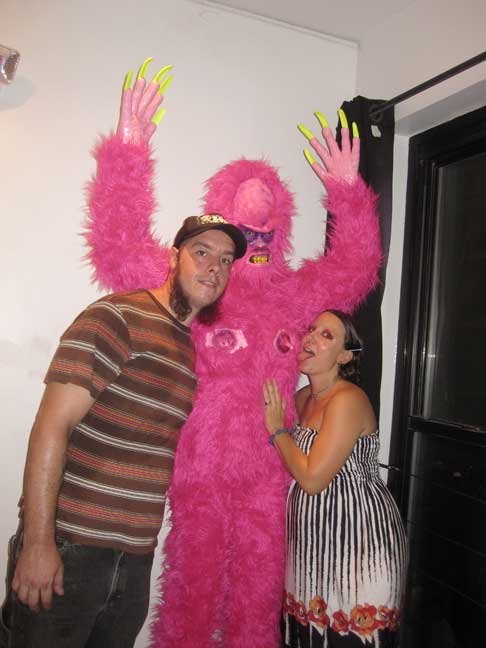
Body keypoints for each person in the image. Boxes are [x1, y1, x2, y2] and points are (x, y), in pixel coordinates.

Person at [84, 59, 382, 647]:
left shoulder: (295, 294)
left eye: (265, 235)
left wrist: (349, 192)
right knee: (191, 592)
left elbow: (355, 268)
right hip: (198, 470)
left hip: (270, 471)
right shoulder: (199, 282)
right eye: (242, 239)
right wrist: (128, 151)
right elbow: (119, 247)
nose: (250, 250)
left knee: (256, 595)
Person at [0, 214, 247, 648]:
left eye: (226, 260)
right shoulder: (117, 317)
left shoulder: (185, 348)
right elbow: (51, 426)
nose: (215, 268)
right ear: (174, 257)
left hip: (134, 561)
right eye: (202, 252)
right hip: (69, 549)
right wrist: (38, 543)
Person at [263, 309, 407, 648]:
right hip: (312, 549)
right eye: (311, 329)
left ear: (344, 356)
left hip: (359, 547)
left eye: (326, 335)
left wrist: (277, 430)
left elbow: (313, 479)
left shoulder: (348, 399)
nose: (311, 337)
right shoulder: (301, 399)